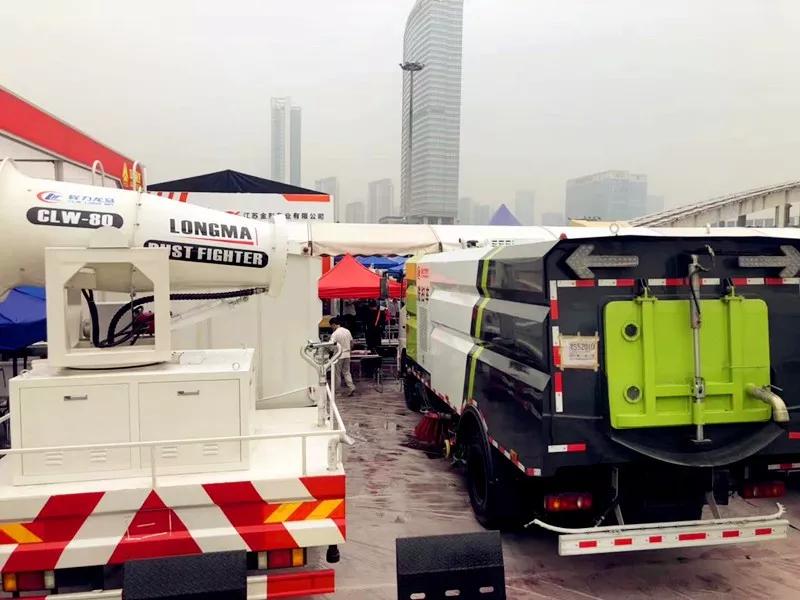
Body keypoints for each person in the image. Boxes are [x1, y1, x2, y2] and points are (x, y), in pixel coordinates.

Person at [329, 317, 356, 396]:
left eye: (331, 326)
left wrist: (330, 351)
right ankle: (351, 387)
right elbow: (352, 343)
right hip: (347, 355)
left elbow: (331, 346)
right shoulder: (347, 331)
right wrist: (349, 350)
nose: (331, 328)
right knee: (347, 372)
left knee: (337, 374)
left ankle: (337, 392)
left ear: (334, 324)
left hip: (338, 355)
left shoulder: (335, 334)